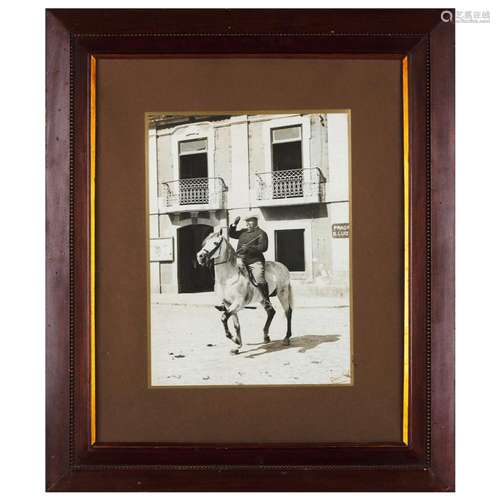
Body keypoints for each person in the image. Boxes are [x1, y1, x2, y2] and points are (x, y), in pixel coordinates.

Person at [228, 214, 274, 312]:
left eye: (250, 221)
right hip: (240, 259)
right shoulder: (243, 232)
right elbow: (232, 234)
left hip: (254, 260)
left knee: (259, 278)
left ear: (256, 221)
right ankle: (226, 301)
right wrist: (234, 224)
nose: (248, 223)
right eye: (246, 221)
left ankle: (266, 301)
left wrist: (249, 248)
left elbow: (263, 248)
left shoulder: (261, 233)